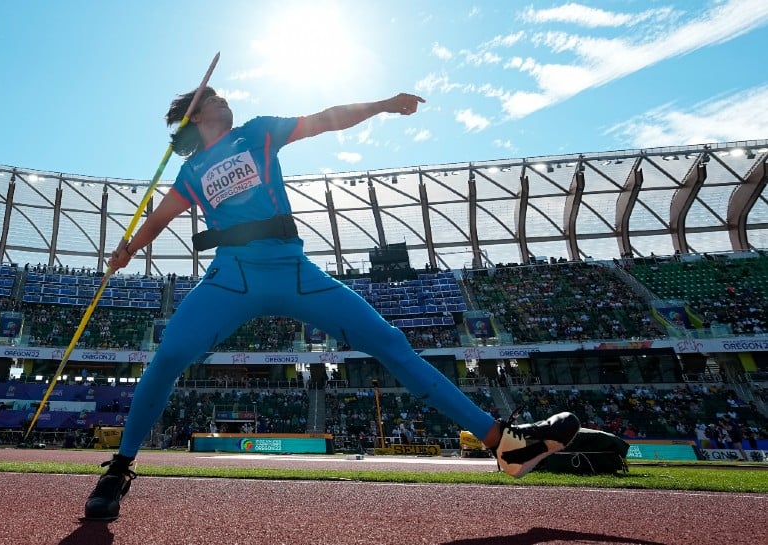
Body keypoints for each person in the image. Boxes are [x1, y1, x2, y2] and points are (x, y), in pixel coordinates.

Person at [83, 85, 580, 521]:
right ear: (196, 113)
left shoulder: (256, 132)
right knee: (170, 353)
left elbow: (325, 119)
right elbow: (160, 217)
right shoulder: (192, 170)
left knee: (390, 342)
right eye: (213, 97)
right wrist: (129, 249)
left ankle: (505, 445)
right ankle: (118, 471)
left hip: (293, 270)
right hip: (232, 276)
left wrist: (384, 105)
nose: (225, 98)